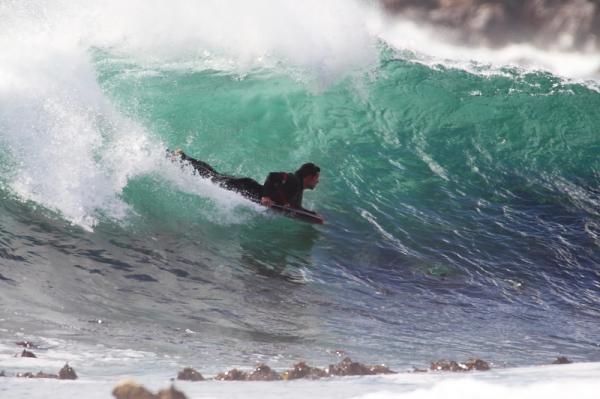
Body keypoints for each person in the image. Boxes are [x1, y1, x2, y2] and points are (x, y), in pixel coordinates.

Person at [169, 149, 320, 214]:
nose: (317, 182)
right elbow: (272, 176)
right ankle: (182, 158)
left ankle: (183, 157)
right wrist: (266, 197)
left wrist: (311, 214)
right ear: (309, 177)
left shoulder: (298, 189)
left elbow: (296, 207)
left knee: (214, 175)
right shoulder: (293, 180)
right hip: (246, 187)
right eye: (316, 178)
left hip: (247, 188)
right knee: (212, 177)